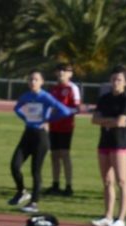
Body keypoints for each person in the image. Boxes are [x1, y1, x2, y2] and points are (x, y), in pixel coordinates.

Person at [10, 70, 74, 213]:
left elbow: (65, 111)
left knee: (35, 170)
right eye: (31, 79)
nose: (33, 82)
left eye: (36, 79)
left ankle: (34, 203)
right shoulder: (26, 96)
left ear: (42, 82)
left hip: (41, 136)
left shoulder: (46, 97)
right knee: (15, 165)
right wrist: (26, 118)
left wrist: (48, 120)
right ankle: (21, 191)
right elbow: (16, 108)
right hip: (27, 134)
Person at [91, 65, 126, 226]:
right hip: (104, 141)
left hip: (120, 143)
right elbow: (94, 119)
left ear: (125, 82)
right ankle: (108, 215)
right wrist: (110, 121)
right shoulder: (104, 98)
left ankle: (121, 218)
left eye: (119, 80)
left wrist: (107, 120)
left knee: (122, 180)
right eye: (114, 79)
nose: (116, 82)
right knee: (107, 181)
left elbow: (121, 122)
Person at [46, 62, 81, 197]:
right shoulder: (53, 88)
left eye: (65, 71)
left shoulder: (72, 88)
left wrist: (62, 110)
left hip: (66, 127)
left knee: (64, 155)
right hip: (53, 126)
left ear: (70, 74)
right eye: (59, 70)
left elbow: (76, 108)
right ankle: (55, 184)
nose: (62, 73)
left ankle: (68, 186)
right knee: (54, 155)